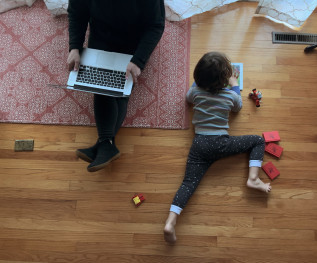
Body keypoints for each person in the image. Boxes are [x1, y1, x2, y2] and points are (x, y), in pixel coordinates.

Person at [163, 52, 272, 243]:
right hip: (221, 143)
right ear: (224, 80)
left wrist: (198, 85)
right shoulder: (230, 95)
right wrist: (235, 85)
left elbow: (188, 99)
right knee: (258, 141)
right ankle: (253, 178)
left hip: (199, 145)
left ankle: (170, 222)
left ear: (198, 78)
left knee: (188, 183)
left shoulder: (195, 92)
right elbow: (237, 108)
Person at [67, 0, 165, 172]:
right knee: (101, 85)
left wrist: (138, 61)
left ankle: (105, 143)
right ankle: (107, 145)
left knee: (121, 87)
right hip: (101, 35)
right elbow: (77, 13)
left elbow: (155, 26)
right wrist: (74, 47)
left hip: (135, 39)